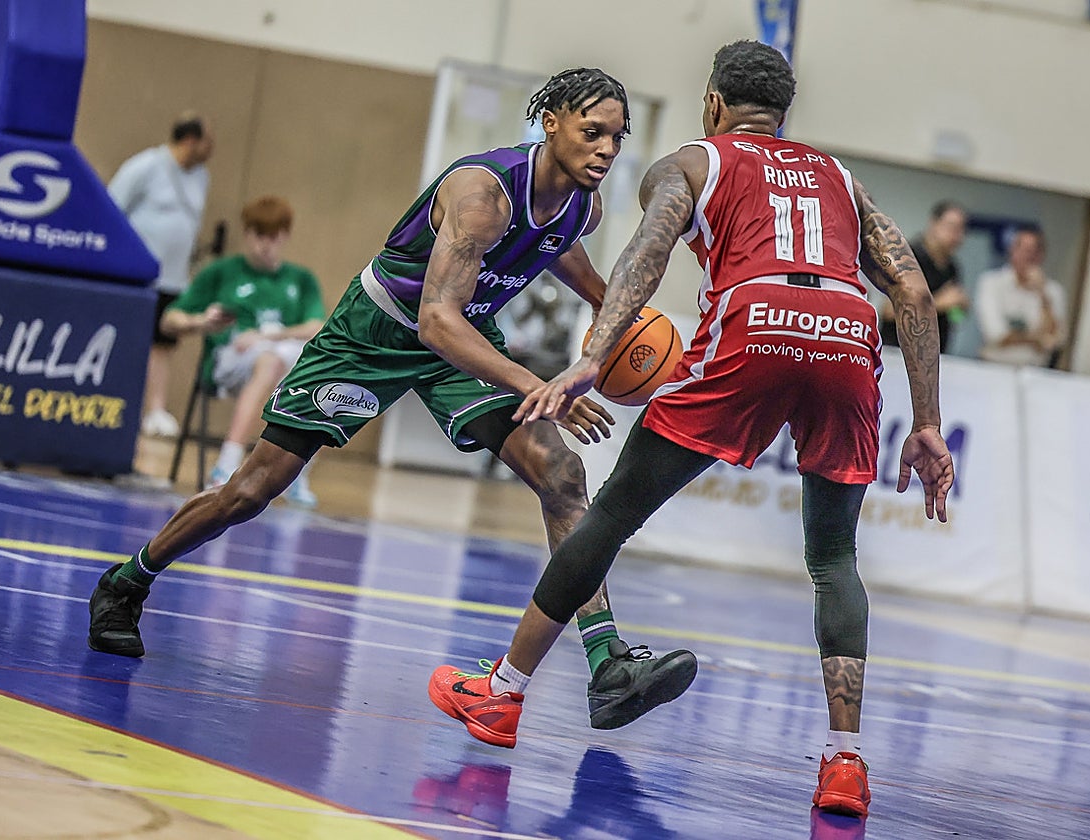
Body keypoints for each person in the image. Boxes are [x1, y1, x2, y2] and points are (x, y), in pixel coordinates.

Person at [429, 41, 955, 820]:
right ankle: (845, 764)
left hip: (757, 318)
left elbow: (645, 256)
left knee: (608, 515)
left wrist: (594, 357)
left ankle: (503, 694)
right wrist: (930, 424)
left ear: (713, 102)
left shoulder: (691, 163)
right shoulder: (842, 179)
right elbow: (911, 288)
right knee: (835, 556)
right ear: (785, 114)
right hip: (848, 331)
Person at [87, 69, 697, 733]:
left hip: (463, 339)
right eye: (593, 132)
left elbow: (563, 258)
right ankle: (128, 579)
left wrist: (620, 335)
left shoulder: (582, 205)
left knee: (562, 473)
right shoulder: (480, 196)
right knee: (252, 490)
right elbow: (435, 321)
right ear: (550, 121)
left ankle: (607, 663)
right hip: (375, 333)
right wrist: (538, 385)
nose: (607, 149)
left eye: (617, 136)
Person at [160, 196, 325, 507]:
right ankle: (227, 466)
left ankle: (297, 472)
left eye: (273, 237)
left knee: (324, 373)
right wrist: (201, 321)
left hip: (284, 363)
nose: (265, 245)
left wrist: (266, 335)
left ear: (285, 236)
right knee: (270, 360)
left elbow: (317, 326)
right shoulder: (221, 272)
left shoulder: (301, 280)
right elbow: (169, 321)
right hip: (228, 361)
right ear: (247, 234)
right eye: (258, 235)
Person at [108, 111, 215, 439]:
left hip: (175, 277)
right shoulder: (146, 166)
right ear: (189, 141)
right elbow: (113, 207)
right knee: (133, 340)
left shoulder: (200, 177)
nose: (210, 149)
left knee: (163, 345)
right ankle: (122, 403)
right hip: (141, 275)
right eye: (205, 142)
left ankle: (155, 409)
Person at [877, 200, 969, 353]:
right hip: (898, 352)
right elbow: (888, 311)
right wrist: (938, 303)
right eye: (951, 227)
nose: (957, 236)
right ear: (934, 224)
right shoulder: (908, 257)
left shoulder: (952, 268)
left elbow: (951, 314)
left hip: (933, 353)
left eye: (961, 229)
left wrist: (959, 307)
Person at [975, 225, 1066, 367]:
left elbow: (1055, 340)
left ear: (1042, 255)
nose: (1028, 256)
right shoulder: (991, 282)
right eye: (1023, 250)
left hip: (1035, 370)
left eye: (1033, 251)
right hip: (993, 367)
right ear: (1012, 250)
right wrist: (1036, 339)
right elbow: (996, 334)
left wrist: (1043, 296)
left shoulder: (1053, 291)